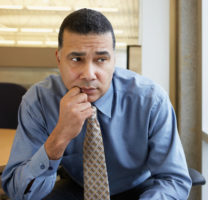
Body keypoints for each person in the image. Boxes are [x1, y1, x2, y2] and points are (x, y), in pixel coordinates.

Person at [1, 8, 192, 200]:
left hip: (141, 189)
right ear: (59, 59)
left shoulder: (151, 99)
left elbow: (173, 179)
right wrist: (59, 137)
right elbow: (18, 192)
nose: (89, 74)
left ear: (114, 60)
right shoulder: (38, 101)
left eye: (101, 59)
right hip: (77, 188)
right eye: (76, 59)